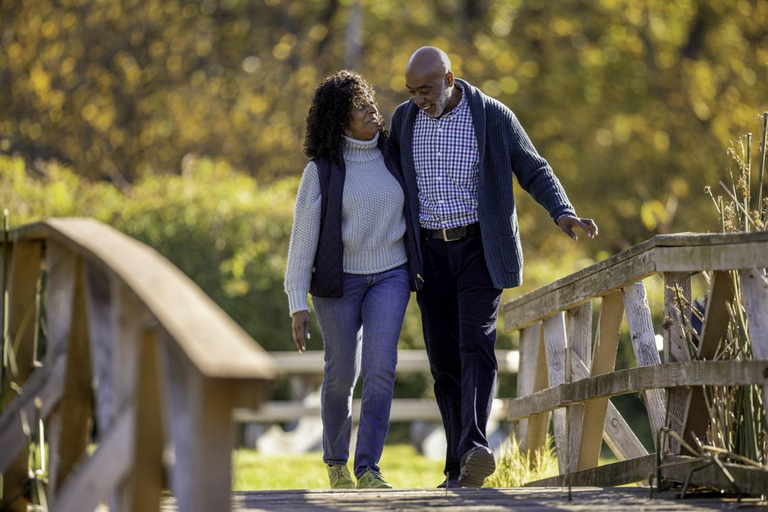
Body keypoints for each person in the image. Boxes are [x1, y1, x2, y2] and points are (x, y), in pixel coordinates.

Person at [389, 47, 598, 488]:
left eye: (425, 89)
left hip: (479, 251)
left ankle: (474, 447)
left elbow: (534, 169)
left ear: (449, 80)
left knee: (476, 345)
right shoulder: (404, 121)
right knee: (443, 364)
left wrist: (563, 212)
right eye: (411, 91)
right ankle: (457, 466)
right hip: (429, 255)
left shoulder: (493, 116)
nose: (418, 99)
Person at [284, 70, 422, 490]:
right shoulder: (322, 171)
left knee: (380, 369)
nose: (371, 112)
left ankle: (368, 468)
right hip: (338, 284)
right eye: (360, 108)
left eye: (369, 103)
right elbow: (302, 240)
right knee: (342, 373)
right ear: (339, 120)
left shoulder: (392, 154)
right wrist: (297, 301)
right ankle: (336, 463)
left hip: (390, 275)